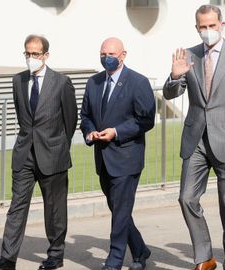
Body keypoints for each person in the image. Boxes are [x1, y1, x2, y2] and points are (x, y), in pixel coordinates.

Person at [163, 5, 225, 270]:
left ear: (222, 25)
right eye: (202, 27)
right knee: (186, 198)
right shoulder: (189, 56)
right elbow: (171, 94)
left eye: (212, 26)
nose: (207, 31)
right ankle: (205, 257)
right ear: (197, 28)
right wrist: (174, 76)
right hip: (195, 140)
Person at [0, 35, 78, 270]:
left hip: (53, 155)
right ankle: (8, 258)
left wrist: (58, 147)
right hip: (24, 154)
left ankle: (55, 256)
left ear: (46, 55)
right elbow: (23, 117)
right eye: (27, 53)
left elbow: (70, 121)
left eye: (35, 54)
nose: (30, 58)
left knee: (54, 209)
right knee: (17, 206)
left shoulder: (61, 82)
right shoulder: (18, 81)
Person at [80, 37, 156, 270]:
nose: (106, 58)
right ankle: (140, 249)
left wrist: (117, 132)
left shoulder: (138, 82)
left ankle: (114, 261)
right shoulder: (93, 82)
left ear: (123, 55)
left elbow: (146, 120)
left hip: (126, 157)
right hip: (103, 158)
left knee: (120, 211)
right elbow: (85, 116)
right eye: (103, 54)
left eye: (111, 53)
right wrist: (91, 132)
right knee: (118, 208)